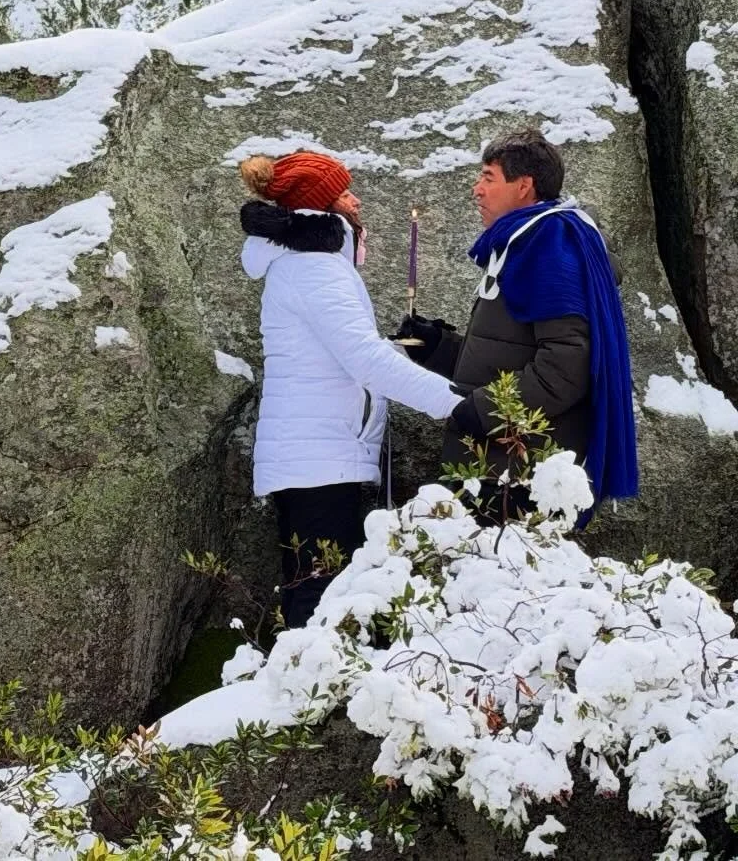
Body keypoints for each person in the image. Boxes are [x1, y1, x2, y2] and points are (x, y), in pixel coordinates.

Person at [239, 150, 463, 629]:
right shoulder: (314, 269)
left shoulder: (313, 264)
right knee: (318, 602)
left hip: (319, 455)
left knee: (320, 592)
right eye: (344, 193)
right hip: (318, 461)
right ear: (320, 210)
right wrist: (455, 404)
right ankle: (295, 696)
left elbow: (343, 353)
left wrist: (415, 349)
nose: (356, 200)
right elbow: (363, 360)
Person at [396, 129, 637, 523]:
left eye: (488, 177)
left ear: (524, 186)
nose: (476, 190)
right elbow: (508, 353)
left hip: (518, 473)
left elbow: (566, 367)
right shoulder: (527, 242)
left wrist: (483, 411)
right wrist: (439, 347)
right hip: (500, 463)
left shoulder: (550, 245)